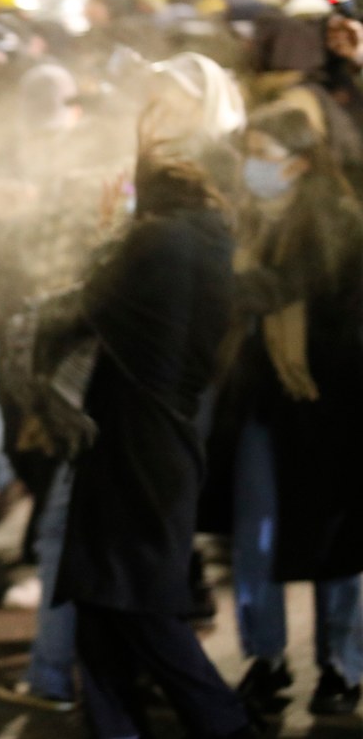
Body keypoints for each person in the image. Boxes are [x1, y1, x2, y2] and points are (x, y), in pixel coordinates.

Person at [55, 154, 256, 738]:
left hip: (136, 442)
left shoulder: (159, 242)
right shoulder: (208, 241)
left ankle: (225, 725)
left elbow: (89, 300)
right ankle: (114, 727)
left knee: (138, 605)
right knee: (102, 599)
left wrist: (107, 229)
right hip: (153, 438)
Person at [211, 101, 363, 716]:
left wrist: (209, 282)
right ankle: (265, 659)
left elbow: (284, 287)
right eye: (247, 153)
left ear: (300, 164)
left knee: (337, 543)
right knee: (255, 536)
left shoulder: (338, 221)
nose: (251, 166)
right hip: (259, 398)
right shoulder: (247, 217)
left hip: (329, 401)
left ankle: (341, 665)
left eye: (263, 156)